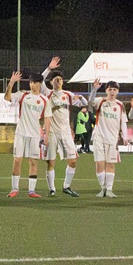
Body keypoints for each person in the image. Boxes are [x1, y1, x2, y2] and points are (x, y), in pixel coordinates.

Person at [40, 57, 88, 197]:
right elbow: (40, 80)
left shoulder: (68, 94)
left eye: (60, 79)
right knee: (51, 161)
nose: (58, 81)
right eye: (55, 79)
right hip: (52, 132)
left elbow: (83, 103)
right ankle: (52, 188)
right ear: (51, 82)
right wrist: (49, 69)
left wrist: (81, 98)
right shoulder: (48, 93)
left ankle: (66, 186)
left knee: (72, 161)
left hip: (66, 132)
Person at [3, 70, 49, 198]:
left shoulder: (44, 100)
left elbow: (47, 118)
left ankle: (32, 190)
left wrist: (47, 135)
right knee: (17, 160)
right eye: (31, 82)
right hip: (21, 133)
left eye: (35, 82)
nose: (32, 85)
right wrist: (11, 82)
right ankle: (14, 188)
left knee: (33, 162)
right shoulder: (23, 95)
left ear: (40, 84)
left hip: (35, 135)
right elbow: (7, 98)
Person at [86, 79, 128, 198]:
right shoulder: (101, 101)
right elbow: (90, 101)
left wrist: (125, 136)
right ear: (106, 91)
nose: (112, 92)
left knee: (110, 164)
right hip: (99, 136)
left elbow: (123, 122)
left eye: (114, 89)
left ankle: (109, 189)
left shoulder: (120, 105)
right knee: (100, 163)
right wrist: (94, 89)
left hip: (113, 139)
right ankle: (102, 188)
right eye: (110, 89)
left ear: (118, 91)